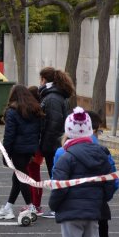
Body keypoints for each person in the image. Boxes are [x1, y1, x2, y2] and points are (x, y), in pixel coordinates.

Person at [49, 107, 116, 237]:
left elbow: (58, 186)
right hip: (93, 212)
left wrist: (55, 206)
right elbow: (110, 182)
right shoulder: (101, 154)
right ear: (90, 130)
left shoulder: (65, 156)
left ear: (68, 131)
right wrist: (101, 199)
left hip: (70, 213)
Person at [0, 85, 43, 220]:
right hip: (29, 149)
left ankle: (30, 206)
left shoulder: (12, 111)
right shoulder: (35, 110)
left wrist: (5, 153)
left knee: (22, 178)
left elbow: (9, 135)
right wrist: (33, 149)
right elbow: (37, 132)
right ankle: (8, 207)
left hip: (17, 149)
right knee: (18, 178)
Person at [38, 67, 75, 218]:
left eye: (40, 79)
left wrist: (44, 145)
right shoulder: (55, 95)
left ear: (45, 80)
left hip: (53, 144)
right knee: (58, 175)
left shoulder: (52, 98)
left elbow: (53, 125)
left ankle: (57, 207)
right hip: (56, 142)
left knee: (56, 176)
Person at [26, 86, 44, 216]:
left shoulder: (35, 111)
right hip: (35, 147)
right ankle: (34, 203)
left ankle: (36, 205)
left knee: (34, 176)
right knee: (32, 176)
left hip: (34, 148)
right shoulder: (37, 109)